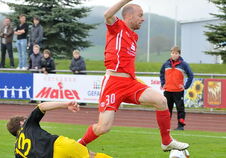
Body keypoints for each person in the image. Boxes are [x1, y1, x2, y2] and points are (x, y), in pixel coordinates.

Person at [78, 0, 189, 152]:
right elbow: (107, 14)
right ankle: (80, 144)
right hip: (113, 83)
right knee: (103, 127)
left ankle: (166, 141)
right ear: (129, 16)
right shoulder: (117, 27)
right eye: (140, 15)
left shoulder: (134, 36)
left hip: (130, 82)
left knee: (161, 101)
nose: (143, 19)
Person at [6, 101, 112, 158]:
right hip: (58, 145)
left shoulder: (17, 151)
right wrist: (65, 104)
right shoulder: (27, 125)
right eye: (24, 118)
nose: (26, 118)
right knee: (91, 156)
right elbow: (41, 106)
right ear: (21, 122)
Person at [160, 46, 193, 130]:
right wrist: (163, 83)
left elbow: (191, 75)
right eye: (172, 53)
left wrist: (185, 86)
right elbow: (161, 73)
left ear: (179, 54)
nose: (174, 55)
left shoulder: (184, 64)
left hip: (178, 91)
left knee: (180, 108)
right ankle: (166, 126)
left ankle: (180, 126)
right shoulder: (166, 64)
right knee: (167, 109)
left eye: (176, 53)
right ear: (170, 54)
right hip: (167, 90)